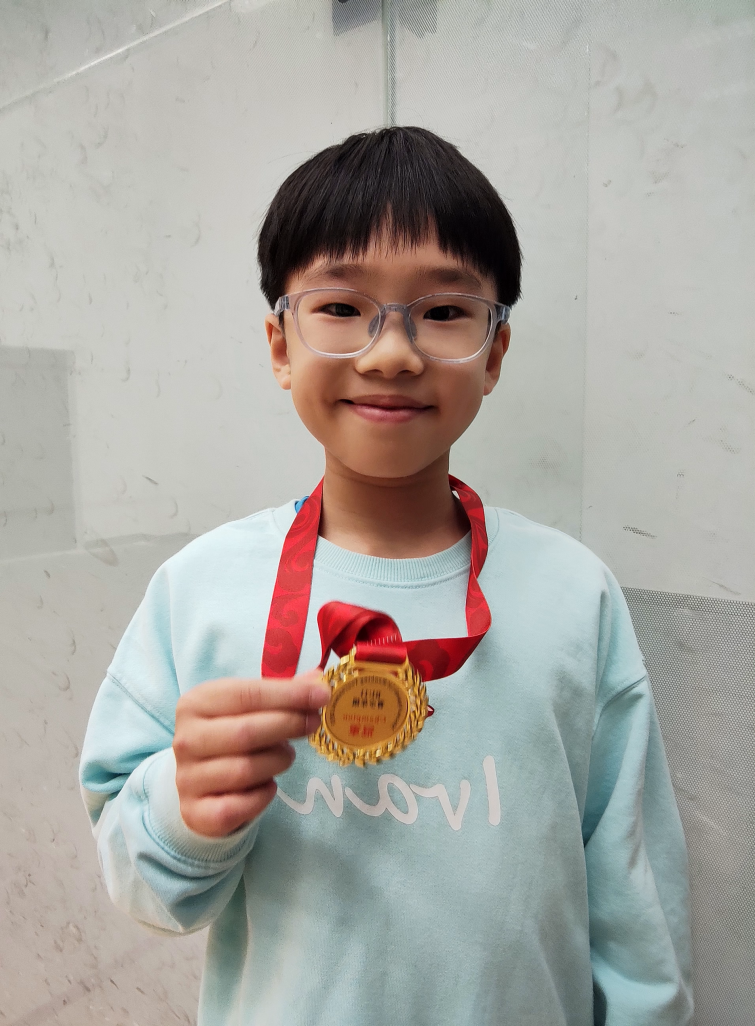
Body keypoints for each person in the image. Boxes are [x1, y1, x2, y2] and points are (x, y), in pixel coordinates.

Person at [80, 126, 693, 1025]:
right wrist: (184, 810)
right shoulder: (197, 592)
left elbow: (634, 896)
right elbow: (147, 890)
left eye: (443, 312)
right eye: (340, 306)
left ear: (495, 353)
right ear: (280, 344)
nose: (392, 353)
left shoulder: (574, 593)